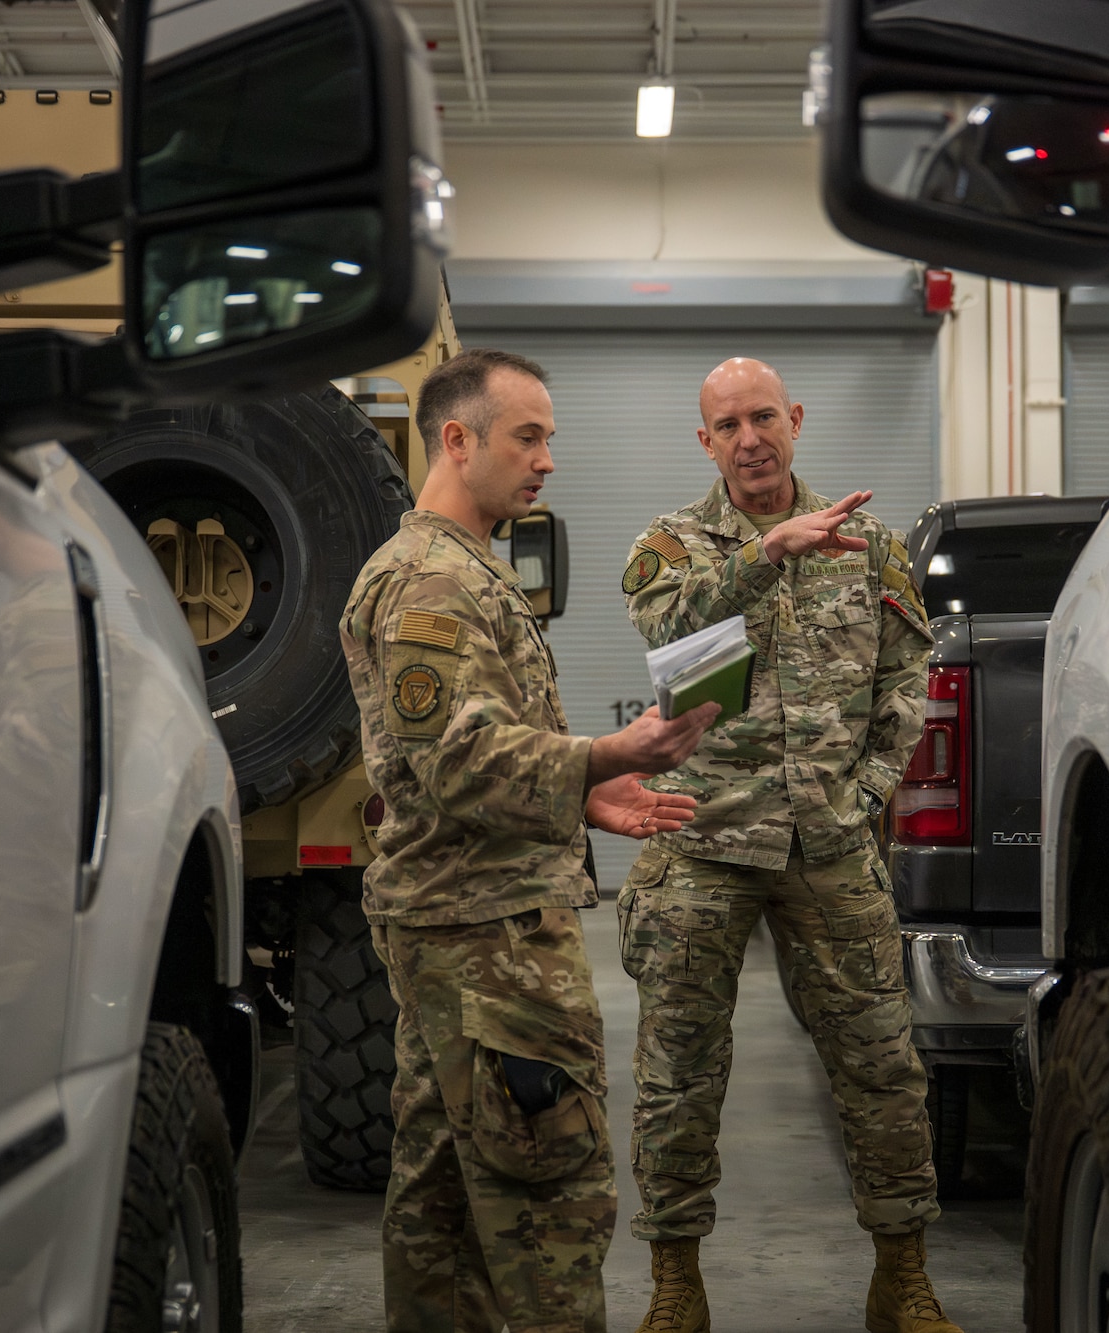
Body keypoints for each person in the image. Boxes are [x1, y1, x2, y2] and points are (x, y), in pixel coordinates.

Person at [340, 348, 720, 1333]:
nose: (548, 458)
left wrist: (583, 791)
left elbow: (452, 756)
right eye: (528, 436)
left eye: (549, 437)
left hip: (462, 928)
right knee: (552, 1203)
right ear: (456, 440)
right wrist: (608, 751)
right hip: (489, 941)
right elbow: (455, 762)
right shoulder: (432, 583)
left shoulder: (458, 567)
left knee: (441, 1210)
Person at [619, 358, 958, 1333]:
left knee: (882, 1066)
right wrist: (765, 552)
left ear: (795, 419)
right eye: (727, 425)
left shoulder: (869, 547)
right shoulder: (671, 546)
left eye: (762, 417)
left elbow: (908, 679)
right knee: (677, 1075)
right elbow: (670, 627)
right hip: (703, 839)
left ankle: (902, 1277)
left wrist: (867, 791)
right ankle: (675, 1285)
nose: (748, 439)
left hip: (829, 845)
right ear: (705, 442)